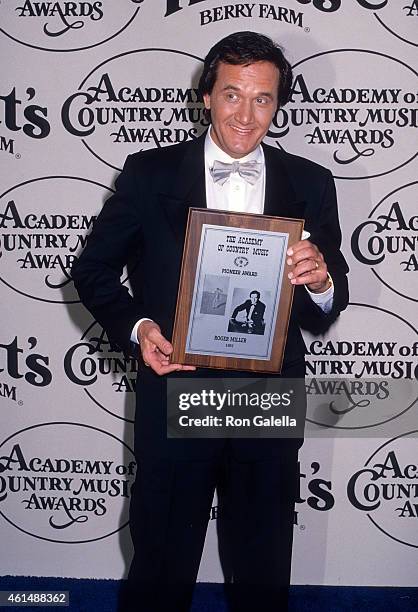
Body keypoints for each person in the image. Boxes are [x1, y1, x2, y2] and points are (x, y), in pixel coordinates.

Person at [72, 31, 349, 612]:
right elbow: (94, 269)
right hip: (178, 391)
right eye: (231, 95)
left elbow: (330, 301)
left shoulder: (311, 183)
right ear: (206, 96)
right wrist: (140, 328)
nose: (246, 115)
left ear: (278, 105)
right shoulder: (149, 174)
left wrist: (321, 281)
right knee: (161, 568)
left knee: (264, 568)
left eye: (263, 99)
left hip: (267, 400)